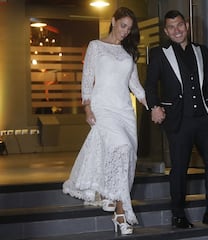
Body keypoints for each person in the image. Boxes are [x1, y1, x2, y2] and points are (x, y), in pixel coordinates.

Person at [145, 10, 208, 231]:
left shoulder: (201, 51)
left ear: (186, 25)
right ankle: (178, 215)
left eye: (180, 25)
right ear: (166, 31)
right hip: (178, 121)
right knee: (179, 169)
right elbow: (149, 85)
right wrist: (154, 106)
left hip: (205, 120)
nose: (177, 30)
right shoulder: (159, 53)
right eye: (171, 27)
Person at [63, 7, 147, 235]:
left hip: (124, 111)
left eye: (129, 29)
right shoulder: (96, 46)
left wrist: (150, 102)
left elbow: (135, 83)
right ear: (113, 21)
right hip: (103, 108)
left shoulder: (128, 52)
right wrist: (87, 108)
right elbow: (87, 77)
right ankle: (110, 196)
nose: (125, 32)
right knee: (121, 146)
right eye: (123, 26)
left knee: (127, 157)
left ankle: (119, 214)